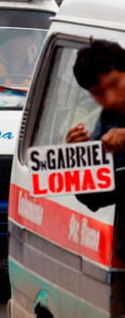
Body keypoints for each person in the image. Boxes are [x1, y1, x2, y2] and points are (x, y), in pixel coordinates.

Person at [65, 40, 125, 258]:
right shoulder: (110, 118)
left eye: (115, 84)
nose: (110, 98)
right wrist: (80, 157)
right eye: (99, 93)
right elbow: (95, 197)